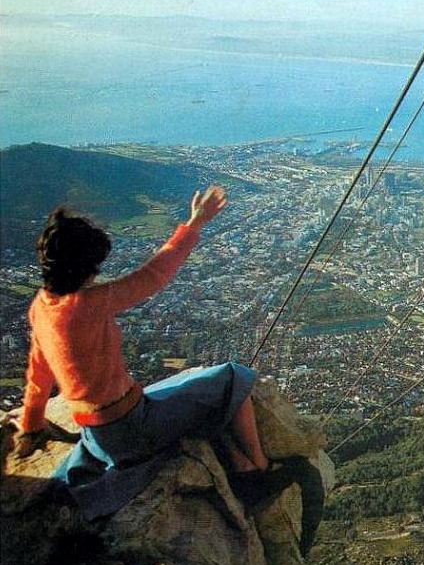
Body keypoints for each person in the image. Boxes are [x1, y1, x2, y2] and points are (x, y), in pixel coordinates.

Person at [11, 186, 279, 521]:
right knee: (234, 376)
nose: (98, 272)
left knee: (187, 382)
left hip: (95, 437)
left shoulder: (42, 307)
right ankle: (259, 470)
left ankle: (241, 463)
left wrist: (31, 424)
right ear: (83, 267)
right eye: (95, 265)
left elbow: (38, 373)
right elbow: (154, 275)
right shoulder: (90, 304)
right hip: (134, 429)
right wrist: (194, 223)